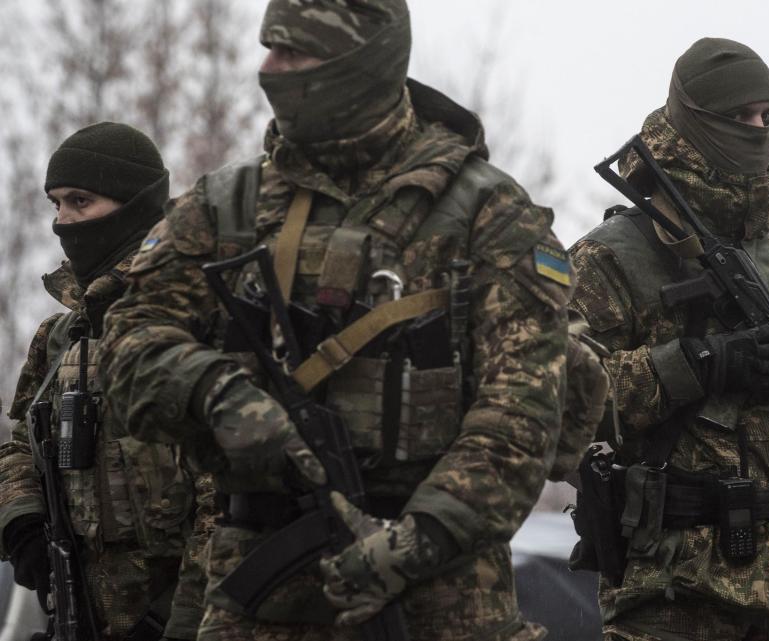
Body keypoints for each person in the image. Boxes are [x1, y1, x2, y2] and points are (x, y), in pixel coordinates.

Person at [97, 1, 572, 639]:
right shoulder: (226, 206)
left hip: (442, 597)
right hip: (259, 595)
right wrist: (216, 393)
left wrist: (421, 538)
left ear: (362, 61)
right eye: (270, 49)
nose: (269, 70)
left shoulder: (488, 213)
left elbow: (522, 412)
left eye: (293, 53)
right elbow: (127, 342)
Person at [569, 38, 769, 641]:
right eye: (739, 116)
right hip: (679, 595)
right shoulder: (613, 260)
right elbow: (558, 407)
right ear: (694, 119)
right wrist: (700, 362)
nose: (757, 129)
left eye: (766, 116)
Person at [0, 122, 211, 640]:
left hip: (188, 618)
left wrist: (175, 620)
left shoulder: (200, 314)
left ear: (135, 205)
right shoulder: (62, 335)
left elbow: (234, 490)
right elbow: (20, 447)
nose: (62, 222)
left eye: (81, 201)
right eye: (56, 204)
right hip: (82, 612)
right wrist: (22, 522)